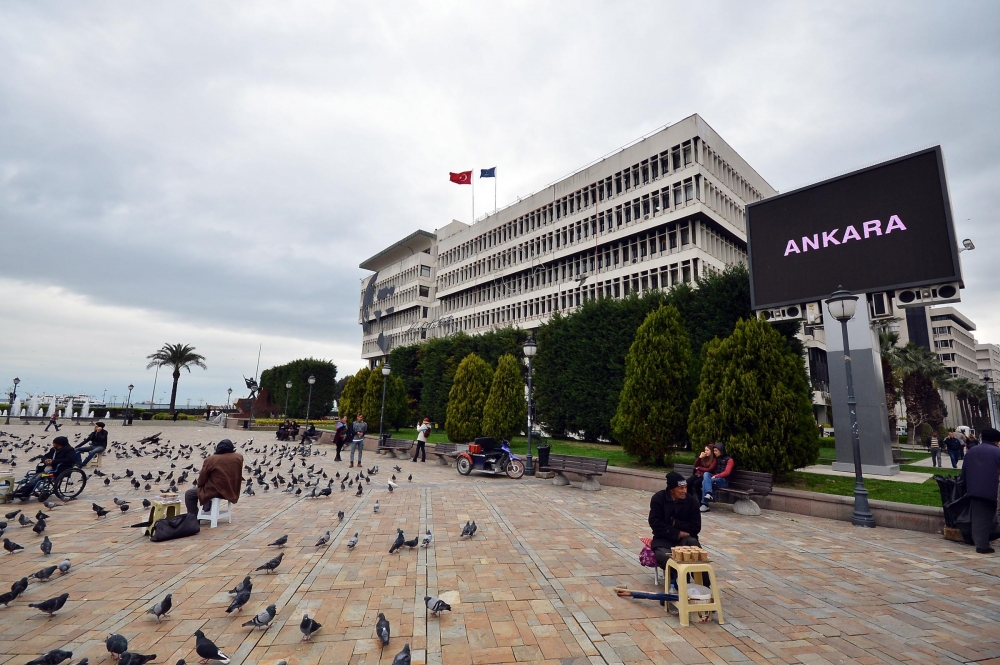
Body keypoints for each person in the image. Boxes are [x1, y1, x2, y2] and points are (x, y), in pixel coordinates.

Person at [649, 472, 703, 591]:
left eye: (685, 487)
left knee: (695, 547)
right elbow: (655, 524)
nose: (684, 491)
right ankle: (677, 586)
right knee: (666, 557)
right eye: (681, 488)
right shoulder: (658, 498)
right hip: (663, 540)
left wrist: (676, 523)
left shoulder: (692, 501)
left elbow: (695, 527)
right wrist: (677, 533)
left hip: (686, 539)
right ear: (672, 489)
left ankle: (703, 586)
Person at [961, 427, 1000, 554]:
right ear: (996, 440)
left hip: (975, 489)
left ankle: (981, 543)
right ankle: (983, 543)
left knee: (980, 518)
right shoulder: (997, 452)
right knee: (992, 517)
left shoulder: (971, 452)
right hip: (993, 489)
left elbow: (964, 472)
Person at [184, 439, 245, 514]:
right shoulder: (239, 457)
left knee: (190, 494)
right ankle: (207, 508)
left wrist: (200, 486)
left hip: (217, 491)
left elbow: (202, 478)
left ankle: (193, 517)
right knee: (208, 486)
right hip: (232, 490)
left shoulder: (211, 459)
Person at [701, 443, 734, 513]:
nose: (714, 452)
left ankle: (705, 504)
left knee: (705, 482)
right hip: (715, 478)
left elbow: (727, 472)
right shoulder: (717, 459)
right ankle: (709, 493)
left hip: (724, 481)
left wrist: (716, 476)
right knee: (706, 474)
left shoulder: (730, 460)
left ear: (720, 451)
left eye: (715, 451)